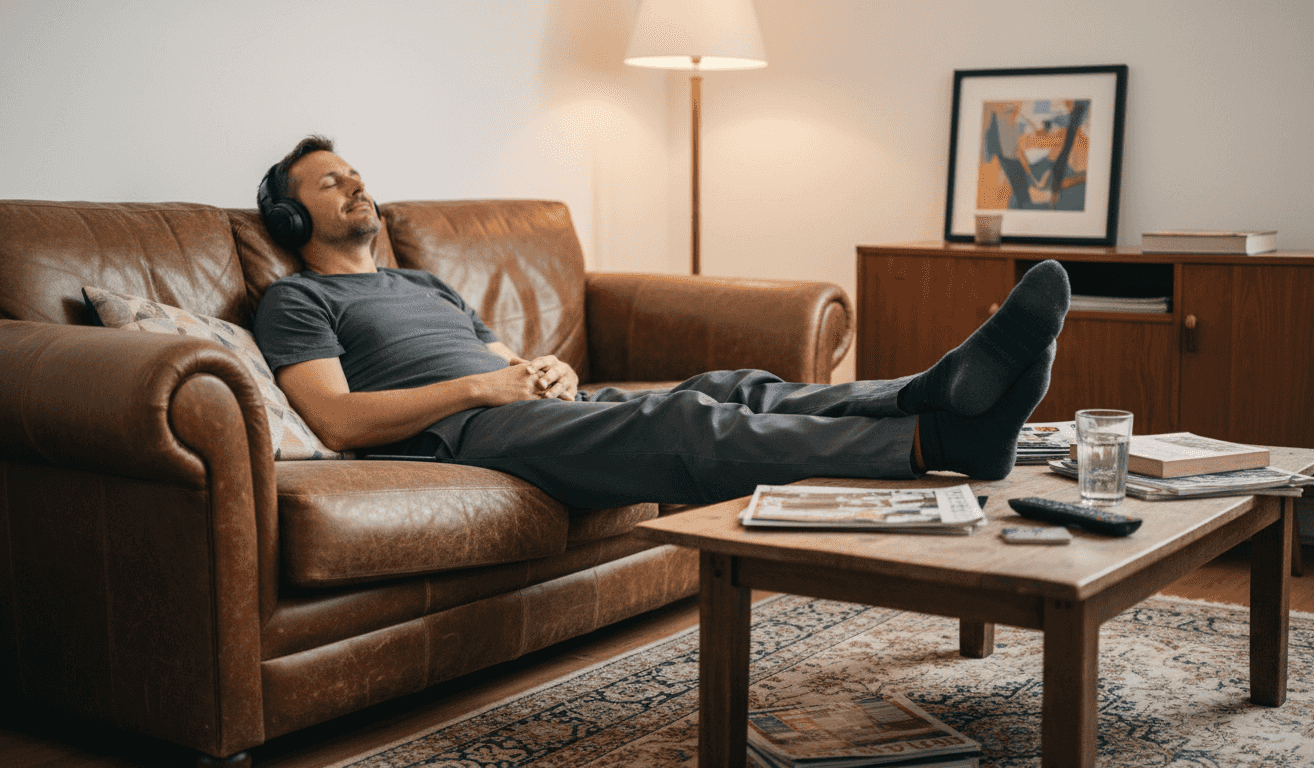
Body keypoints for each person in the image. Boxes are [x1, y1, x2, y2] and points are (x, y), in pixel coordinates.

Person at [252, 136, 1071, 509]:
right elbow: (336, 418)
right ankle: (940, 443)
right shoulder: (298, 300)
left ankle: (932, 394)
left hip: (524, 407)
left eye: (356, 173)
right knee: (690, 425)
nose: (355, 186)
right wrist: (486, 386)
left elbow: (510, 358)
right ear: (291, 220)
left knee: (733, 387)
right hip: (461, 434)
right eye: (330, 184)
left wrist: (549, 370)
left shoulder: (424, 280)